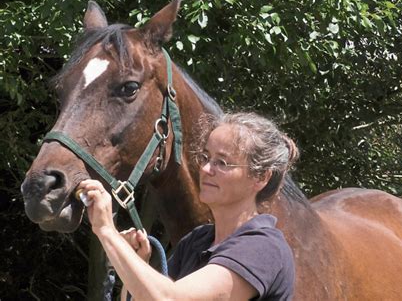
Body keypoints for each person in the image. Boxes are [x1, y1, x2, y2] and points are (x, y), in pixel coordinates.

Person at [78, 112, 298, 300]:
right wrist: (137, 262)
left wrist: (107, 230)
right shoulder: (198, 240)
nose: (205, 169)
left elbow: (169, 298)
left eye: (222, 162)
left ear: (260, 177)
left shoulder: (264, 249)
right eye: (205, 157)